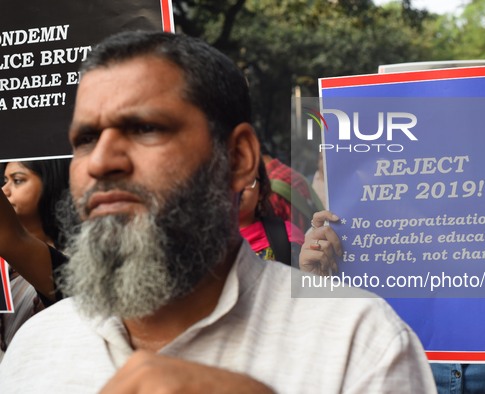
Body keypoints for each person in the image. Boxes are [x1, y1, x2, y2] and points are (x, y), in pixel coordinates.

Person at [0, 31, 436, 393]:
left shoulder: (358, 340)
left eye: (145, 128)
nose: (101, 162)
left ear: (239, 157)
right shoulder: (36, 345)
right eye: (86, 140)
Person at [0, 159, 69, 358]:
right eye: (5, 180)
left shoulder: (82, 263)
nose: (5, 189)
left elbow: (12, 239)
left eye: (18, 180)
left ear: (51, 184)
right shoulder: (5, 266)